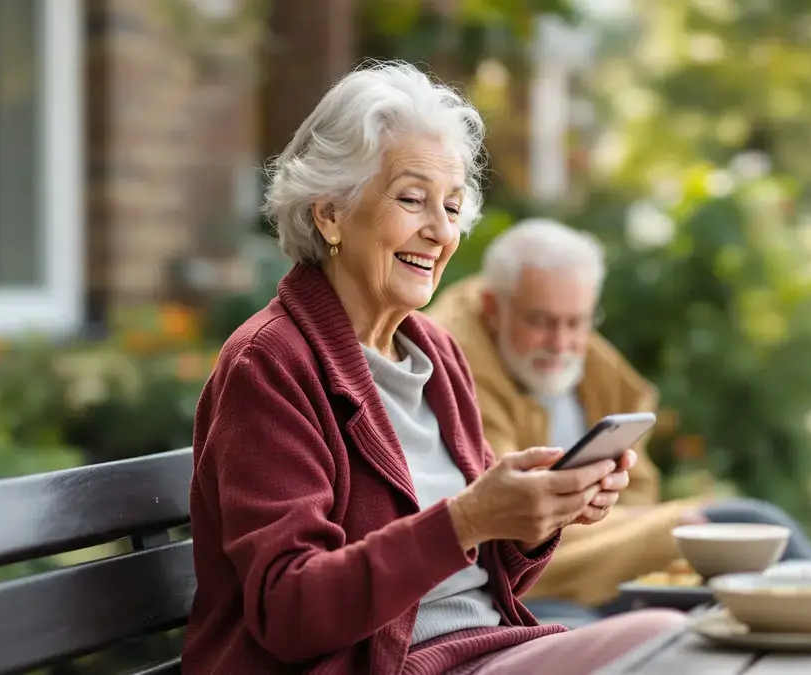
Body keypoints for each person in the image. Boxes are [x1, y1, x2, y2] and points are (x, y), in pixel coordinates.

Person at [181, 62, 687, 675]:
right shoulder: (270, 364)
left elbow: (481, 585)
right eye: (412, 199)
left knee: (681, 641)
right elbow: (291, 609)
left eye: (451, 207)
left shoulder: (437, 356)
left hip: (482, 652)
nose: (440, 231)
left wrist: (533, 519)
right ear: (330, 213)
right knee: (670, 643)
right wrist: (468, 518)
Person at [428, 218, 811, 625]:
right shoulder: (452, 361)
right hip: (520, 579)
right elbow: (513, 514)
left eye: (576, 322)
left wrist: (643, 525)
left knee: (752, 540)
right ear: (494, 308)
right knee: (743, 529)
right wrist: (658, 531)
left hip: (593, 563)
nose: (562, 343)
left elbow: (639, 490)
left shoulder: (592, 366)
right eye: (541, 322)